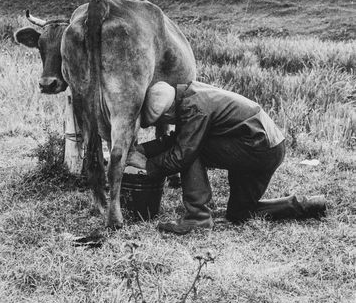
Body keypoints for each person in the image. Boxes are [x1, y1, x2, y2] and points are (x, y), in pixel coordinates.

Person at [126, 81, 326, 234]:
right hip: (268, 146)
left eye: (163, 120)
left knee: (192, 151)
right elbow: (180, 138)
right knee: (239, 214)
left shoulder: (193, 108)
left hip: (257, 148)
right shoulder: (189, 95)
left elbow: (182, 153)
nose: (166, 123)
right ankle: (307, 204)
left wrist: (148, 165)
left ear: (168, 113)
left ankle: (198, 217)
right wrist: (142, 150)